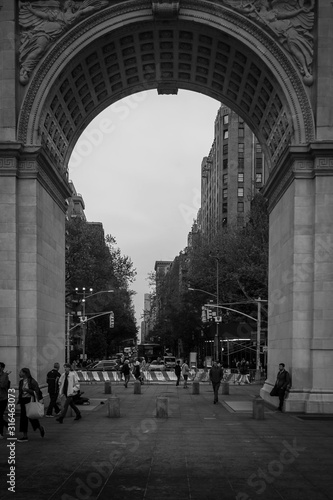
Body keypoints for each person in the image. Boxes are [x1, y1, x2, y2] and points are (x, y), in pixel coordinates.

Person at [17, 368, 45, 442]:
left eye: (21, 372)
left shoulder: (32, 381)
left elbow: (37, 391)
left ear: (25, 373)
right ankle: (25, 435)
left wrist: (27, 390)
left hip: (30, 400)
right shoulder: (21, 382)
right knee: (23, 418)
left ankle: (39, 427)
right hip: (23, 400)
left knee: (31, 416)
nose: (19, 373)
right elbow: (20, 392)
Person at [0, 362, 10, 438]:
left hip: (3, 398)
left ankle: (1, 433)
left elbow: (3, 385)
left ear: (2, 368)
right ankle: (7, 425)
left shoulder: (5, 376)